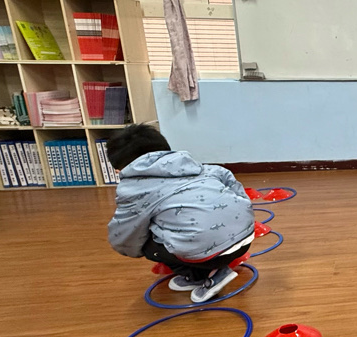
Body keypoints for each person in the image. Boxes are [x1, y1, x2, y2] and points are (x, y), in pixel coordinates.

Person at [106, 124, 255, 303]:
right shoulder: (201, 167)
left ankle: (211, 274)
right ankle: (199, 274)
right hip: (246, 238)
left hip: (208, 254)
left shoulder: (133, 189)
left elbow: (125, 232)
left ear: (122, 168)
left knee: (144, 238)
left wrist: (129, 250)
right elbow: (236, 188)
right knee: (176, 224)